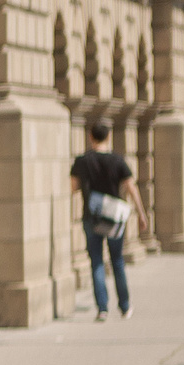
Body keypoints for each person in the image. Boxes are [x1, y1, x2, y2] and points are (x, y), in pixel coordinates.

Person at [70, 120, 145, 321]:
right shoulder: (117, 160)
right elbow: (131, 187)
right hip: (114, 217)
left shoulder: (82, 161)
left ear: (90, 137)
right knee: (117, 260)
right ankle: (125, 306)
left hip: (92, 217)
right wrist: (141, 213)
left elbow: (73, 187)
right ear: (108, 137)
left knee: (96, 262)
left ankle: (102, 308)